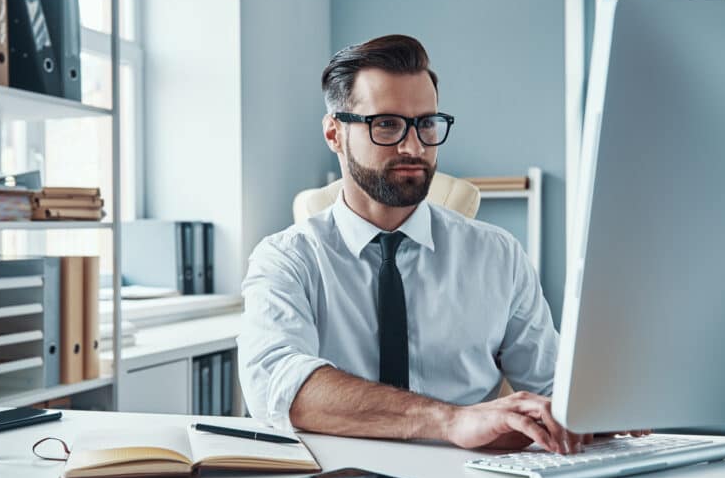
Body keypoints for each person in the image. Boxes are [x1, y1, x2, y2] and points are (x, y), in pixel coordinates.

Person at [238, 34, 588, 454]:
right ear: (334, 133)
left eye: (425, 123)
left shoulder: (498, 255)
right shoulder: (286, 259)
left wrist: (599, 412)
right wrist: (451, 420)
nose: (414, 146)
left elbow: (554, 388)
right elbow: (277, 385)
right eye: (386, 124)